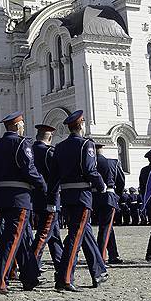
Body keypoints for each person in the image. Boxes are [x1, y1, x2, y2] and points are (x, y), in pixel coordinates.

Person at [0, 111, 44, 295]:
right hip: (20, 197)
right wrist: (42, 184)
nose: (23, 127)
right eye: (22, 124)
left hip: (3, 198)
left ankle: (29, 277)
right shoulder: (21, 143)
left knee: (21, 238)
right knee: (13, 239)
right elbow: (29, 168)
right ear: (17, 126)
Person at [47, 110, 108, 291]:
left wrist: (52, 197)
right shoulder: (85, 145)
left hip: (66, 196)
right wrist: (101, 184)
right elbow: (89, 169)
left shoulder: (59, 147)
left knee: (84, 233)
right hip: (82, 196)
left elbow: (53, 176)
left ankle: (99, 271)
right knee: (75, 237)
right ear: (81, 125)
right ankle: (64, 277)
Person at [31, 124, 63, 273]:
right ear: (50, 137)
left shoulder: (29, 151)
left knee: (53, 234)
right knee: (43, 235)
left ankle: (60, 265)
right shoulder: (49, 152)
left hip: (35, 198)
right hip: (50, 199)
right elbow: (55, 177)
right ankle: (31, 267)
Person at [94, 143, 125, 265]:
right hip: (108, 197)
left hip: (93, 199)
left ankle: (113, 254)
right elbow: (121, 182)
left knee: (107, 227)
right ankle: (100, 256)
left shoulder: (89, 163)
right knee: (105, 228)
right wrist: (116, 196)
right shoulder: (112, 162)